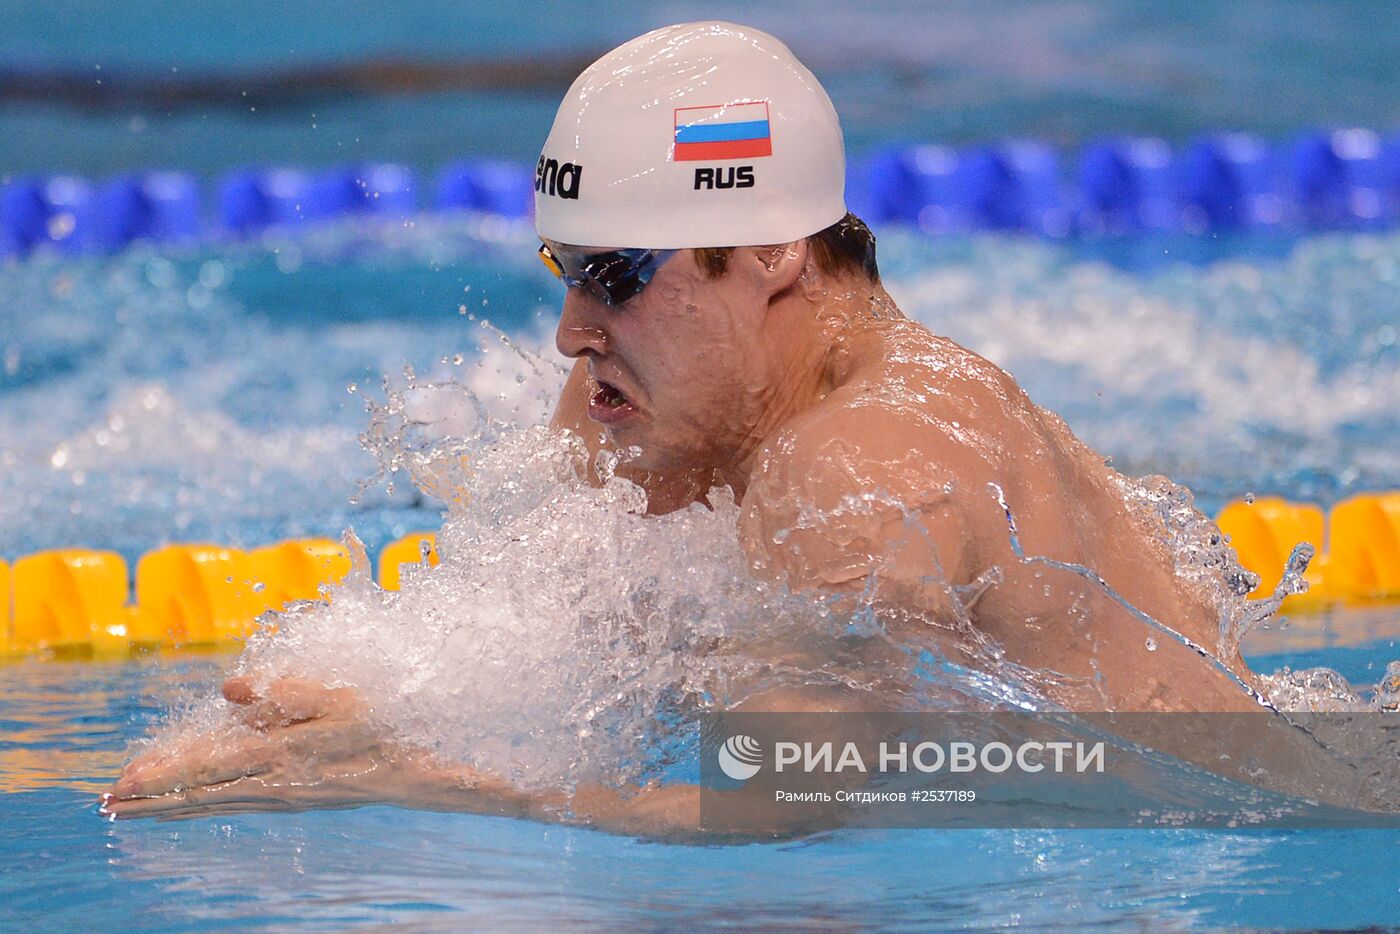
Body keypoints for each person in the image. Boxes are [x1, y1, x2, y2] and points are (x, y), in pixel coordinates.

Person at [102, 21, 1273, 833]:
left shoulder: (864, 468)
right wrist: (378, 705)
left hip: (1199, 835)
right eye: (564, 269)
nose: (569, 330)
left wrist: (409, 779)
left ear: (770, 252)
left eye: (613, 273)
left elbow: (776, 817)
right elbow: (547, 640)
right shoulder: (654, 393)